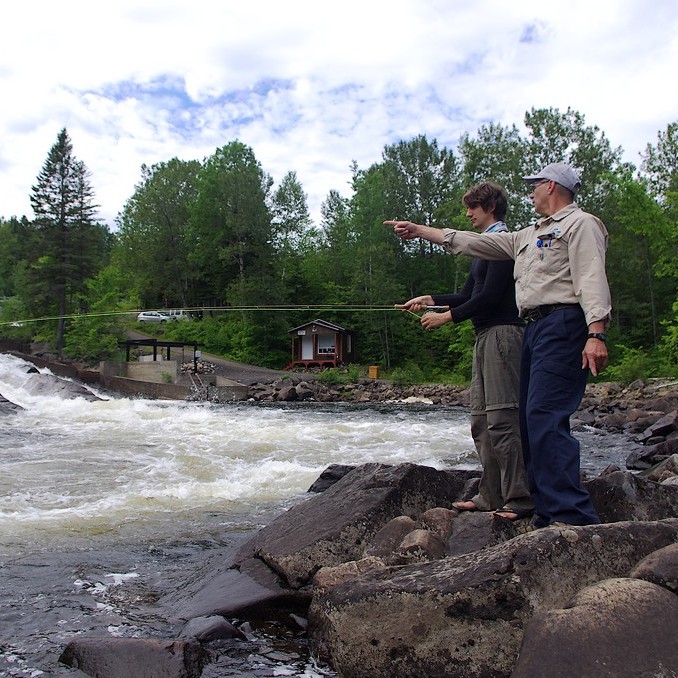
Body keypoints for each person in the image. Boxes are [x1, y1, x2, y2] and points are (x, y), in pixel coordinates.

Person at [386, 162, 611, 527]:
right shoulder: (526, 235)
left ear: (551, 186)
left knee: (543, 418)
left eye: (534, 185)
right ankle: (547, 511)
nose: (530, 192)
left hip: (565, 323)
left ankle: (572, 517)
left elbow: (591, 277)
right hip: (536, 327)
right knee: (527, 419)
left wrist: (595, 332)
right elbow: (469, 241)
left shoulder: (581, 223)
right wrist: (419, 231)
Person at [400, 182, 533, 520]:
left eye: (473, 207)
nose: (469, 214)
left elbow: (488, 299)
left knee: (503, 420)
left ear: (490, 206)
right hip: (485, 337)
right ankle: (490, 494)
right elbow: (469, 295)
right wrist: (430, 299)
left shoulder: (503, 245)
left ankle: (520, 498)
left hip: (504, 336)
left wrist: (446, 316)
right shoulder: (483, 251)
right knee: (481, 421)